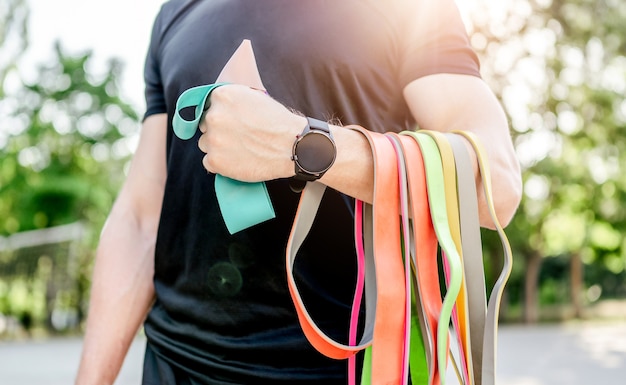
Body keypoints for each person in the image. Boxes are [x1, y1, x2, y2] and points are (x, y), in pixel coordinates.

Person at [75, 0, 522, 383]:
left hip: (341, 364)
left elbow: (496, 184)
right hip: (173, 364)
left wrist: (302, 145)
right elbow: (139, 215)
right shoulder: (174, 12)